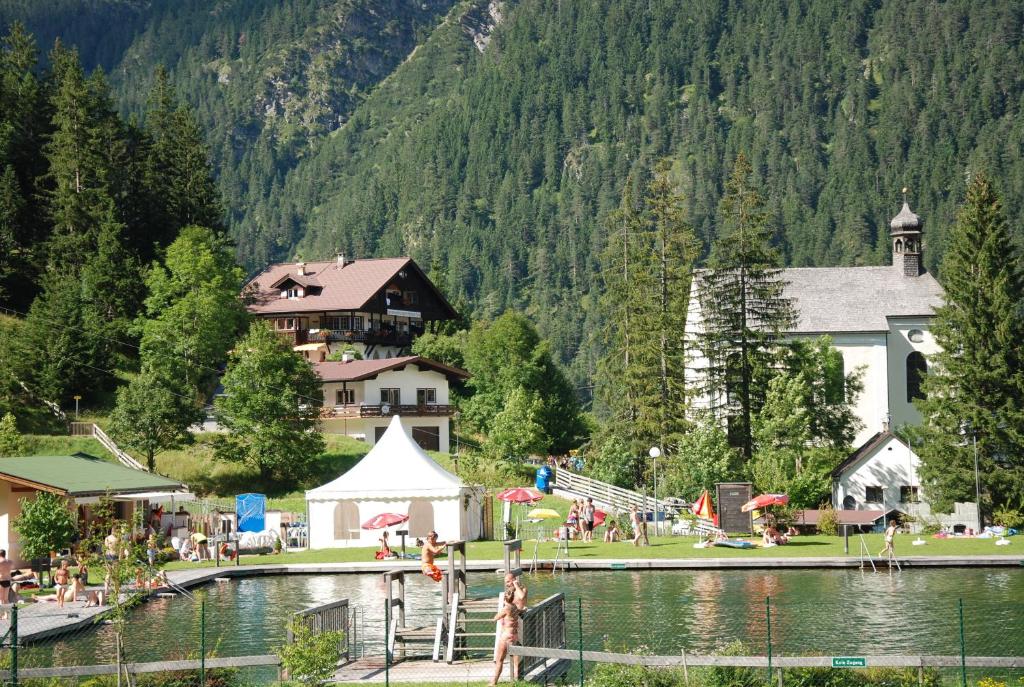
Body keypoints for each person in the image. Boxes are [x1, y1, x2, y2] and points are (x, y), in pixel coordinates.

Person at [489, 590, 520, 686]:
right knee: (515, 660)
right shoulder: (515, 607)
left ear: (504, 599)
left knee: (500, 660)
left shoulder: (506, 608)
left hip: (506, 636)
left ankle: (494, 682)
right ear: (513, 598)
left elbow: (495, 618)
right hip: (514, 636)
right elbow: (520, 611)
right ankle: (516, 679)